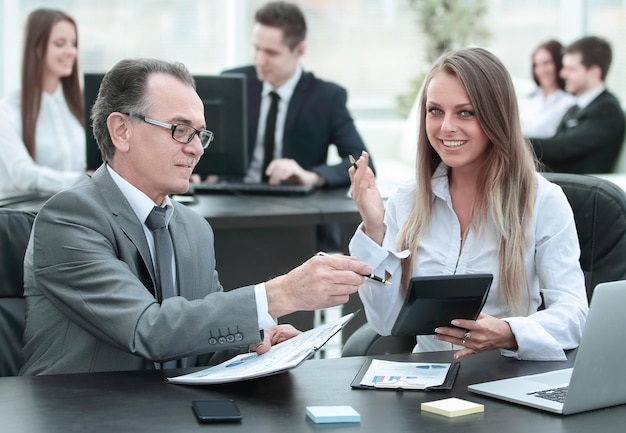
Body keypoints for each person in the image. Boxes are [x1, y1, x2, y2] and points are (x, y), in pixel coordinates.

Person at [19, 58, 373, 375]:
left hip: (167, 410)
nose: (196, 148)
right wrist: (280, 293)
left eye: (200, 134)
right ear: (121, 131)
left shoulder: (193, 228)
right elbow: (147, 329)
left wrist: (254, 343)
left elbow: (194, 343)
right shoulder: (69, 218)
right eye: (179, 129)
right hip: (77, 414)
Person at [348, 47, 588, 361]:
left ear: (495, 117)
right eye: (435, 111)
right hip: (426, 381)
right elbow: (384, 321)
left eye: (465, 112)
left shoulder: (543, 201)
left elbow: (574, 316)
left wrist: (509, 332)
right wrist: (376, 228)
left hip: (503, 378)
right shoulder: (407, 200)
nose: (446, 126)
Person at [223, 1, 374, 252]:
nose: (260, 60)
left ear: (300, 50)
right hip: (231, 206)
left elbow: (361, 161)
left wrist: (310, 176)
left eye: (271, 53)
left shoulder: (327, 97)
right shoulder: (233, 82)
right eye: (256, 49)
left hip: (292, 214)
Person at [0, 8, 86, 193]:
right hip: (28, 217)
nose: (71, 51)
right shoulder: (8, 110)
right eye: (60, 43)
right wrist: (85, 180)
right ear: (37, 48)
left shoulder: (79, 104)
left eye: (73, 43)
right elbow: (22, 174)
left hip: (78, 213)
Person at [528, 36, 625, 174]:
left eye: (571, 69)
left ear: (594, 73)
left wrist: (516, 141)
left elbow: (562, 148)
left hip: (581, 189)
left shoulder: (607, 110)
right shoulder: (576, 108)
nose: (562, 74)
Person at [518, 39, 575, 138]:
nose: (541, 70)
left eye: (546, 63)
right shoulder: (527, 99)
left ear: (559, 63)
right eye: (537, 65)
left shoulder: (570, 102)